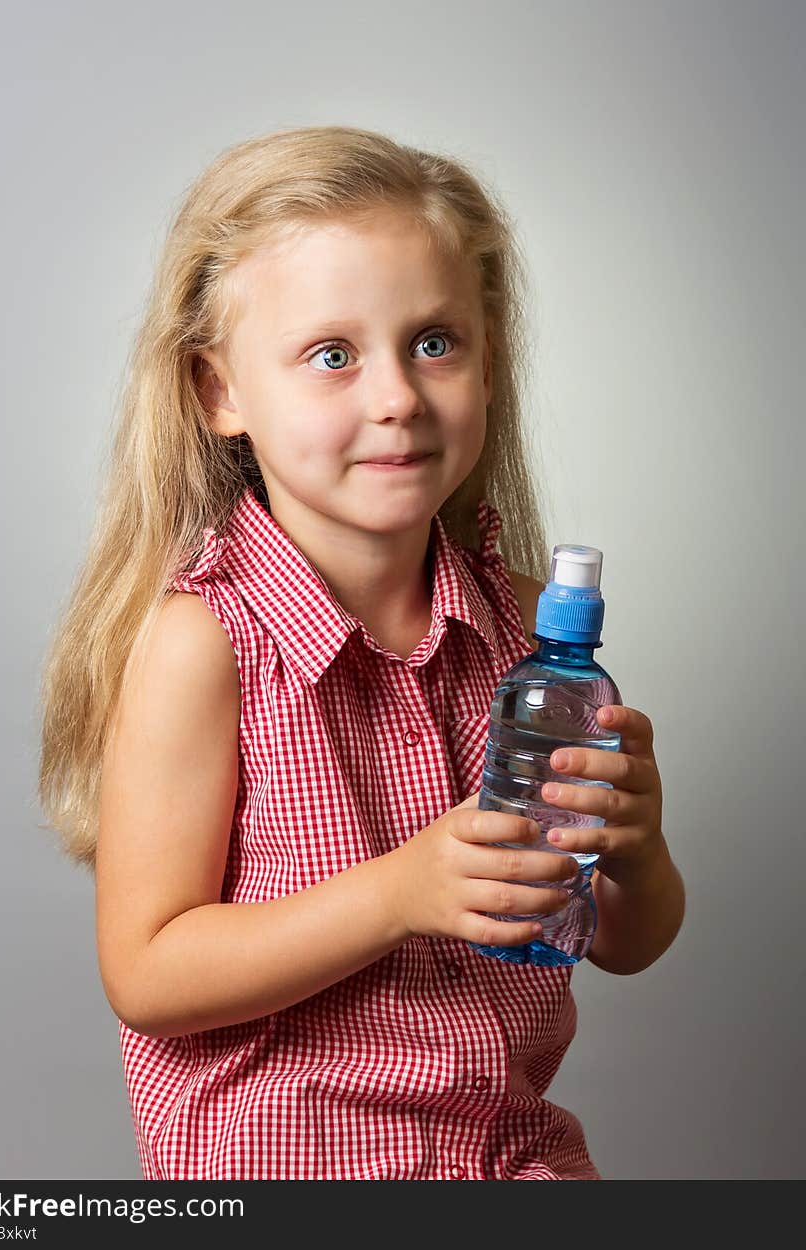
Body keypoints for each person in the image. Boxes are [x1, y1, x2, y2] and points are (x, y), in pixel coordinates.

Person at [37, 124, 685, 1181]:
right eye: (331, 355)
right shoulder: (205, 643)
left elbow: (622, 937)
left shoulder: (527, 630)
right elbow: (148, 972)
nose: (395, 395)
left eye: (434, 341)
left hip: (510, 1163)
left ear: (488, 355)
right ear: (219, 392)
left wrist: (636, 849)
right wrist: (398, 894)